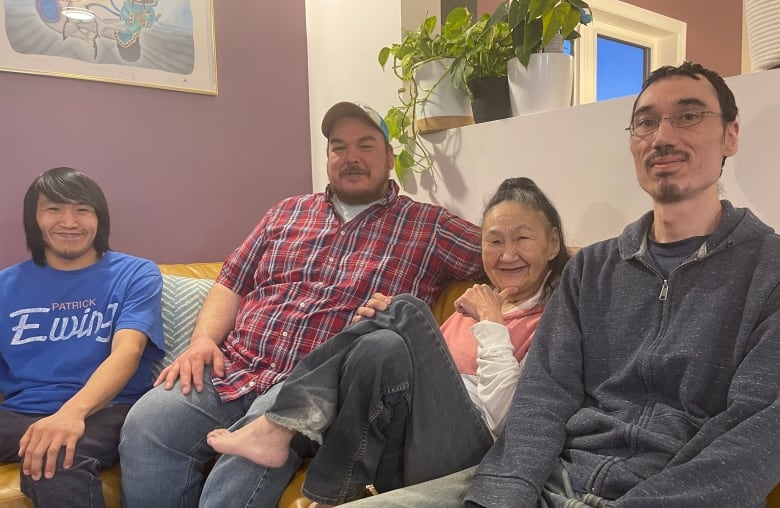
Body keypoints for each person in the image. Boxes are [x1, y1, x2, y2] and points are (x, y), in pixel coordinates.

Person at [343, 61, 780, 508]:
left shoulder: (770, 271)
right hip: (549, 479)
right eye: (646, 122)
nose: (663, 136)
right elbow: (543, 396)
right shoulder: (591, 268)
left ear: (731, 135)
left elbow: (756, 435)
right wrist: (504, 495)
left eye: (689, 116)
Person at [118, 101, 486, 508]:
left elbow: (506, 253)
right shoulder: (286, 212)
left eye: (365, 146)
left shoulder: (428, 225)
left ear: (389, 157)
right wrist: (203, 340)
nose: (351, 158)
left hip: (315, 390)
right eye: (338, 147)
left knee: (248, 456)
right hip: (236, 366)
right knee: (148, 424)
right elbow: (231, 280)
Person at [205, 177, 570, 507]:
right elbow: (414, 382)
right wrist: (384, 329)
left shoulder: (556, 317)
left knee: (406, 307)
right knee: (381, 346)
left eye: (522, 238)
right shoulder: (469, 304)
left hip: (474, 452)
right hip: (416, 445)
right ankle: (335, 492)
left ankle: (280, 424)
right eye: (494, 241)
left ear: (552, 243)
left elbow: (505, 419)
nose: (507, 255)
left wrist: (492, 324)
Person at [0, 167, 164, 508]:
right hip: (19, 414)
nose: (69, 221)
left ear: (98, 218)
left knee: (55, 459)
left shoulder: (135, 273)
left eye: (82, 209)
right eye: (54, 209)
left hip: (106, 409)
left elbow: (128, 352)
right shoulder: (5, 286)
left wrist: (70, 414)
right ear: (35, 219)